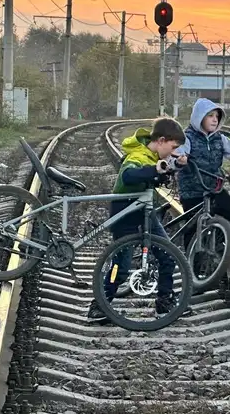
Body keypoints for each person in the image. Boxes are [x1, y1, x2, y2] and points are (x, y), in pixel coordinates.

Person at [86, 117, 192, 321]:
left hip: (144, 210)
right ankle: (99, 305)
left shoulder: (153, 156)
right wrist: (155, 170)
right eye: (173, 147)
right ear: (161, 140)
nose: (173, 151)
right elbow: (128, 176)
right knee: (121, 266)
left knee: (167, 254)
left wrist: (174, 167)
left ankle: (164, 303)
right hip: (124, 210)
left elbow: (158, 172)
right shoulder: (137, 155)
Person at [174, 98, 230, 257]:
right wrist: (180, 161)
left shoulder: (221, 139)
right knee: (193, 231)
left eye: (217, 116)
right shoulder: (186, 138)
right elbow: (175, 157)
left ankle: (217, 240)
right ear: (199, 117)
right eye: (210, 116)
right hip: (192, 193)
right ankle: (191, 269)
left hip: (215, 190)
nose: (215, 119)